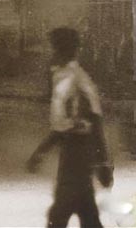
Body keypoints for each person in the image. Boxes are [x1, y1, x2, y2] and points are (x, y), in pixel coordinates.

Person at [26, 27, 113, 228]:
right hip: (75, 160)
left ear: (64, 51)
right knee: (86, 216)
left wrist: (103, 163)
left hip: (76, 160)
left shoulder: (73, 79)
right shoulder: (66, 77)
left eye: (55, 49)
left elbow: (92, 122)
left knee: (59, 216)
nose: (52, 54)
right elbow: (64, 125)